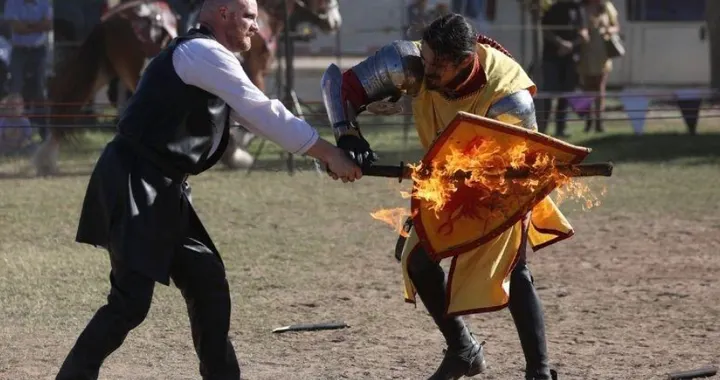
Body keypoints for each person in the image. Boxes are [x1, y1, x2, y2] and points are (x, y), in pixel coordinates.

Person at [55, 0, 361, 379]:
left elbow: (258, 119)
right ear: (223, 13)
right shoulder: (203, 52)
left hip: (162, 188)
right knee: (129, 303)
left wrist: (324, 155)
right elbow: (265, 112)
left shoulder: (208, 58)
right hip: (136, 182)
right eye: (248, 16)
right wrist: (329, 153)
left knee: (207, 281)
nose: (255, 25)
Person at [320, 13, 575, 380]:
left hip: (499, 188)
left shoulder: (508, 97)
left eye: (436, 66)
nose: (426, 71)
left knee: (514, 269)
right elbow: (340, 86)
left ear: (465, 61)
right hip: (441, 181)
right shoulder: (412, 62)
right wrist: (348, 135)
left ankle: (539, 370)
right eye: (424, 59)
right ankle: (464, 352)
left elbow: (520, 166)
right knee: (417, 260)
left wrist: (468, 178)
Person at [536, 0, 588, 137]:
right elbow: (545, 29)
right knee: (548, 94)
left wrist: (570, 45)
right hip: (551, 57)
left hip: (570, 59)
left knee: (566, 94)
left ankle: (561, 128)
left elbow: (584, 33)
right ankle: (542, 128)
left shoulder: (577, 8)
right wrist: (560, 43)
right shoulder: (551, 7)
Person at [578, 0, 620, 133]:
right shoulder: (581, 7)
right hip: (585, 51)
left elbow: (616, 26)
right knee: (587, 88)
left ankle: (599, 121)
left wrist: (608, 30)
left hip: (602, 51)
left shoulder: (606, 7)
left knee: (600, 88)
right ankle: (588, 120)